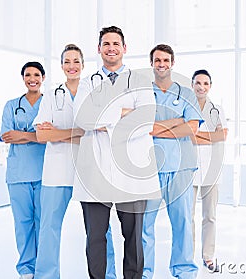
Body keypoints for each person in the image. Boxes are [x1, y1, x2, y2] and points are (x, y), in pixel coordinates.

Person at [73, 26, 160, 279]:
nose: (111, 48)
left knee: (133, 237)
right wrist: (123, 113)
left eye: (116, 43)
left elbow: (146, 119)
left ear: (124, 48)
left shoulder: (140, 81)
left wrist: (103, 115)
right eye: (106, 43)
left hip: (130, 171)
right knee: (95, 237)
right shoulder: (88, 83)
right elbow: (83, 119)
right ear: (99, 49)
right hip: (95, 171)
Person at [31, 44, 117, 279]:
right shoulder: (51, 95)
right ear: (61, 66)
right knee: (49, 229)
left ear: (83, 64)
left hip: (90, 171)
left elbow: (105, 125)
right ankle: (46, 275)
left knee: (99, 231)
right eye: (67, 62)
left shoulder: (95, 91)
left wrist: (60, 132)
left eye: (76, 61)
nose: (72, 66)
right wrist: (79, 131)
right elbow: (41, 135)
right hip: (56, 172)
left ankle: (108, 275)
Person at [142, 44, 203, 279]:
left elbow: (192, 128)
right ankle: (145, 272)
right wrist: (177, 123)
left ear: (172, 63)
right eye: (157, 60)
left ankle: (184, 270)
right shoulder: (144, 93)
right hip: (151, 168)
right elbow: (142, 127)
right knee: (145, 226)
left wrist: (158, 129)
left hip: (181, 167)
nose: (161, 64)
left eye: (165, 60)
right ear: (152, 63)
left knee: (183, 223)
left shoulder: (186, 93)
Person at [0, 61, 47, 279]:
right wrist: (36, 136)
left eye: (36, 74)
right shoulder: (11, 105)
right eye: (28, 75)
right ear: (23, 78)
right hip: (18, 174)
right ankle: (27, 269)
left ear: (43, 78)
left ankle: (44, 268)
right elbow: (7, 136)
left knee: (44, 223)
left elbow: (52, 137)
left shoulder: (50, 105)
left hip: (45, 173)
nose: (32, 79)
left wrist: (23, 135)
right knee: (23, 223)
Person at [190, 69, 228, 273]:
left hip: (212, 171)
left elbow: (222, 135)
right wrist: (210, 136)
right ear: (192, 85)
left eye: (205, 83)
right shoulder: (186, 108)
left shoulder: (217, 109)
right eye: (198, 83)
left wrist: (198, 136)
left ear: (210, 86)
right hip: (190, 170)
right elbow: (185, 136)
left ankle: (208, 256)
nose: (201, 87)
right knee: (188, 217)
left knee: (210, 216)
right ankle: (187, 257)